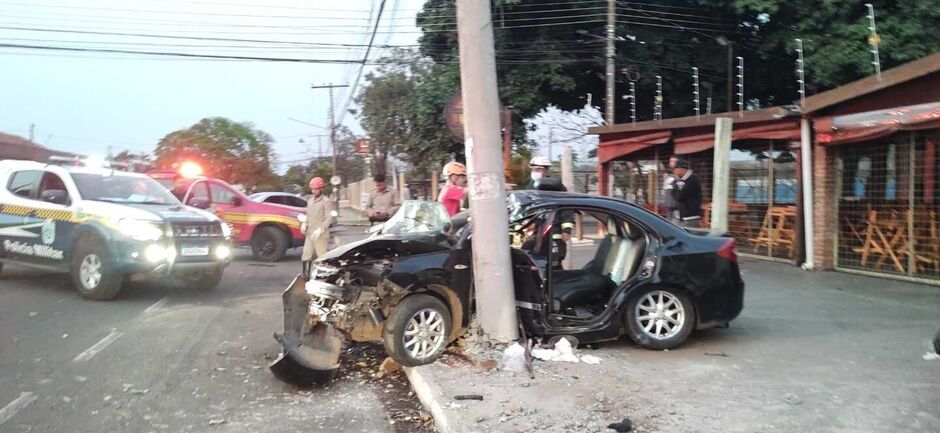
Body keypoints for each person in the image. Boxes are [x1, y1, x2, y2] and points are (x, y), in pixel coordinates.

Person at [301, 177, 334, 280]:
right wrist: (304, 223)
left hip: (321, 234)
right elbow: (308, 215)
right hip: (310, 233)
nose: (314, 191)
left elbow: (329, 218)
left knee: (322, 257)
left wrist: (321, 229)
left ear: (321, 189)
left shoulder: (326, 201)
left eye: (316, 189)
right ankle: (305, 275)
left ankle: (323, 277)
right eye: (312, 189)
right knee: (306, 254)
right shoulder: (310, 201)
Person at [672, 158, 703, 228]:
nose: (674, 171)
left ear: (681, 169)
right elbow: (673, 194)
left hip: (691, 218)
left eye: (676, 169)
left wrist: (678, 183)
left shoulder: (692, 179)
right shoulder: (681, 180)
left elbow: (679, 196)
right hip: (682, 217)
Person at [661, 155, 679, 222]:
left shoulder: (681, 173)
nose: (673, 163)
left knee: (677, 226)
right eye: (671, 161)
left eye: (675, 161)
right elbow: (665, 188)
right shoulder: (666, 173)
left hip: (677, 206)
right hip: (668, 204)